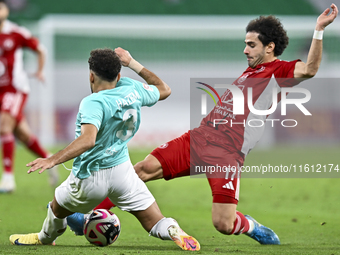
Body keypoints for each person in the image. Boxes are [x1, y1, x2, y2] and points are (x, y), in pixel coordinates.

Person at [67, 5, 339, 245]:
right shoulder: (251, 70)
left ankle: (250, 225)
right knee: (142, 169)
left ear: (269, 47)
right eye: (245, 43)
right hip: (200, 138)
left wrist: (318, 29)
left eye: (251, 45)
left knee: (223, 224)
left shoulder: (279, 71)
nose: (245, 49)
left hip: (227, 154)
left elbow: (311, 69)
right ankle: (90, 215)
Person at [9, 47, 200, 251]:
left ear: (91, 76)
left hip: (91, 177)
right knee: (154, 221)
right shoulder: (131, 88)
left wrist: (52, 160)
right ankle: (172, 229)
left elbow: (88, 140)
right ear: (118, 74)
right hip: (123, 173)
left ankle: (45, 237)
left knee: (56, 206)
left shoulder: (93, 102)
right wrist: (132, 63)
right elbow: (164, 89)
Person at [0, 0, 58, 193]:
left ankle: (8, 178)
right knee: (21, 133)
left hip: (15, 88)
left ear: (7, 10)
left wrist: (40, 71)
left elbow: (41, 49)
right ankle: (50, 159)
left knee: (4, 125)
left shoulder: (16, 32)